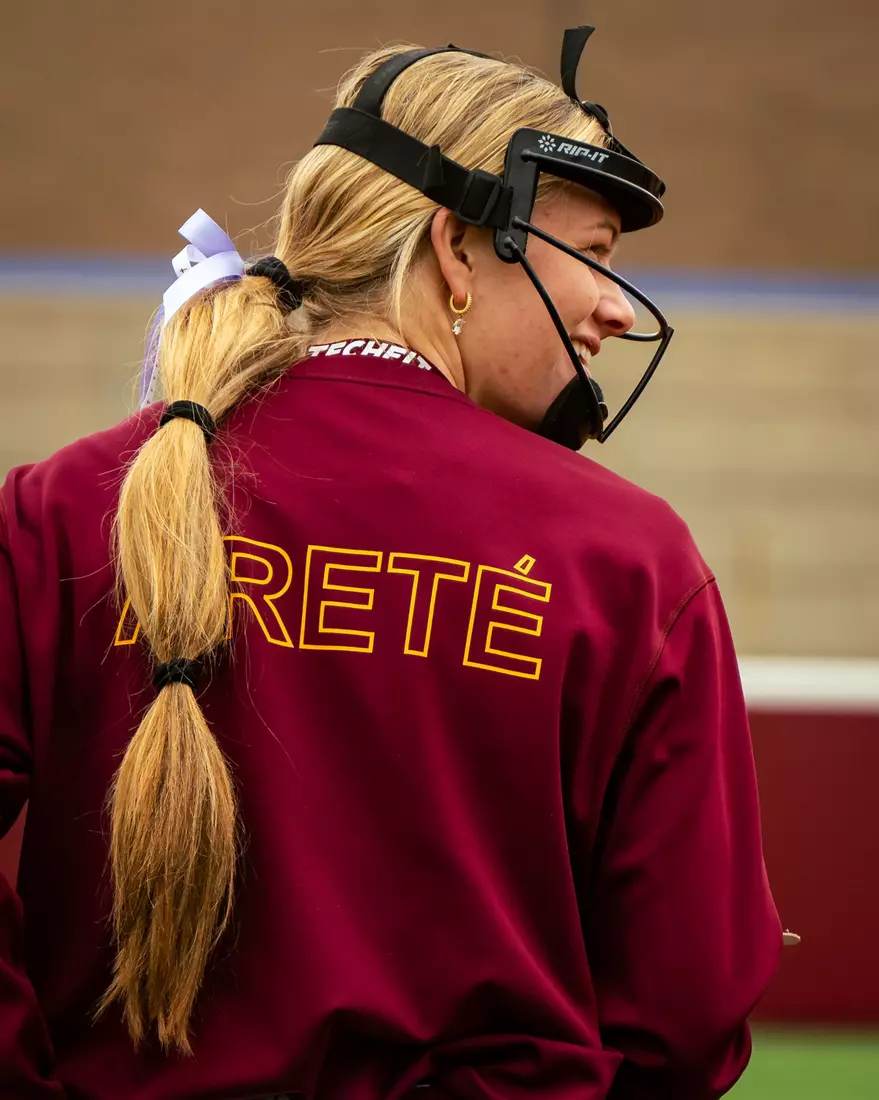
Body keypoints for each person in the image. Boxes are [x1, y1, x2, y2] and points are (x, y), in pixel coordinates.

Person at [0, 25, 781, 1100]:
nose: (613, 307)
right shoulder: (630, 561)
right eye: (593, 256)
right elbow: (688, 1014)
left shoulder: (53, 511)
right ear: (459, 246)